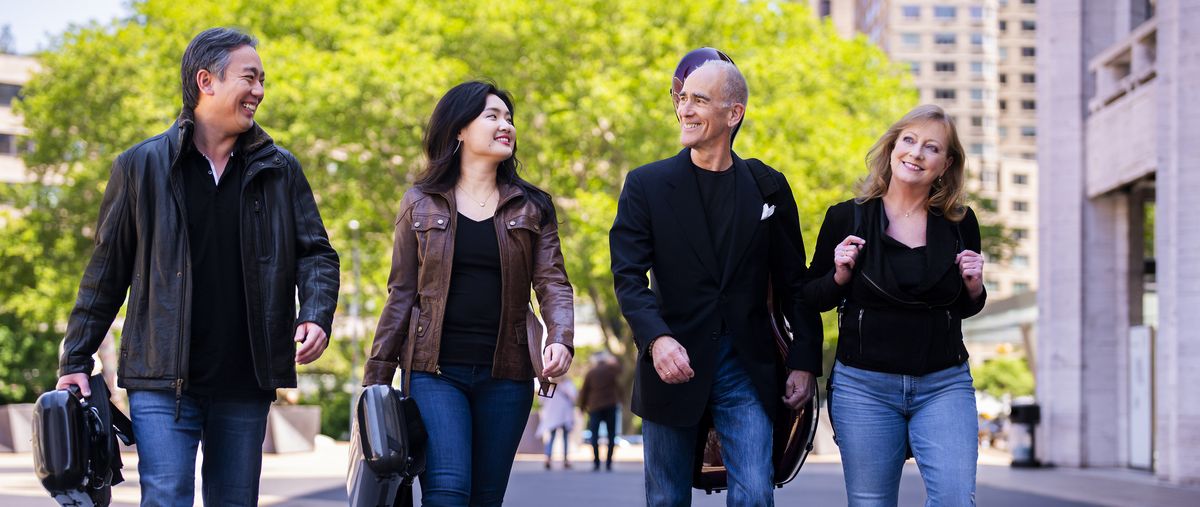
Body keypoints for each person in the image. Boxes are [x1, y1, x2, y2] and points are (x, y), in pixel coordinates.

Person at [54, 27, 341, 506]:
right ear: (206, 81)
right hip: (162, 379)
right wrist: (75, 359)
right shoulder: (140, 166)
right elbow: (106, 271)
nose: (259, 91)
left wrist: (315, 312)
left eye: (262, 80)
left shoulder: (280, 170)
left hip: (245, 377)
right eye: (249, 78)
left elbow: (316, 252)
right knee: (166, 497)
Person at [609, 58, 823, 506]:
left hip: (745, 363)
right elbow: (629, 277)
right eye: (682, 98)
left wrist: (804, 359)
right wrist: (657, 340)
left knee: (755, 493)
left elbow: (793, 283)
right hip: (672, 359)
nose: (684, 109)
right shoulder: (646, 185)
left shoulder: (768, 186)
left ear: (733, 113)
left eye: (699, 100)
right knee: (666, 498)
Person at [362, 80, 574, 506]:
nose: (506, 126)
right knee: (448, 490)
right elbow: (401, 294)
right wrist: (376, 381)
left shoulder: (532, 206)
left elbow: (552, 281)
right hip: (434, 371)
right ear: (459, 129)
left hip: (508, 376)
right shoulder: (419, 203)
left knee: (486, 497)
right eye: (492, 116)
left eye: (509, 118)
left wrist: (561, 338)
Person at [803, 104, 987, 506]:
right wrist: (838, 275)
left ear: (946, 163)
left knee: (956, 500)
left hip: (944, 383)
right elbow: (810, 297)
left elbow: (964, 306)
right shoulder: (845, 217)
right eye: (909, 140)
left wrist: (974, 286)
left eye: (931, 147)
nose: (916, 153)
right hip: (864, 386)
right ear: (892, 148)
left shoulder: (960, 222)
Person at [578, 351, 623, 472]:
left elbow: (584, 391)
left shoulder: (591, 373)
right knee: (611, 434)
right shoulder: (612, 370)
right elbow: (620, 374)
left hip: (594, 406)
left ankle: (596, 462)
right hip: (610, 405)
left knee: (594, 435)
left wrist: (581, 407)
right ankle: (608, 462)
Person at [537, 376, 578, 470]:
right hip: (561, 415)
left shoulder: (550, 386)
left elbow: (541, 400)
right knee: (562, 438)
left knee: (554, 438)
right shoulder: (567, 385)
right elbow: (574, 398)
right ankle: (562, 459)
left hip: (558, 416)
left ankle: (550, 458)